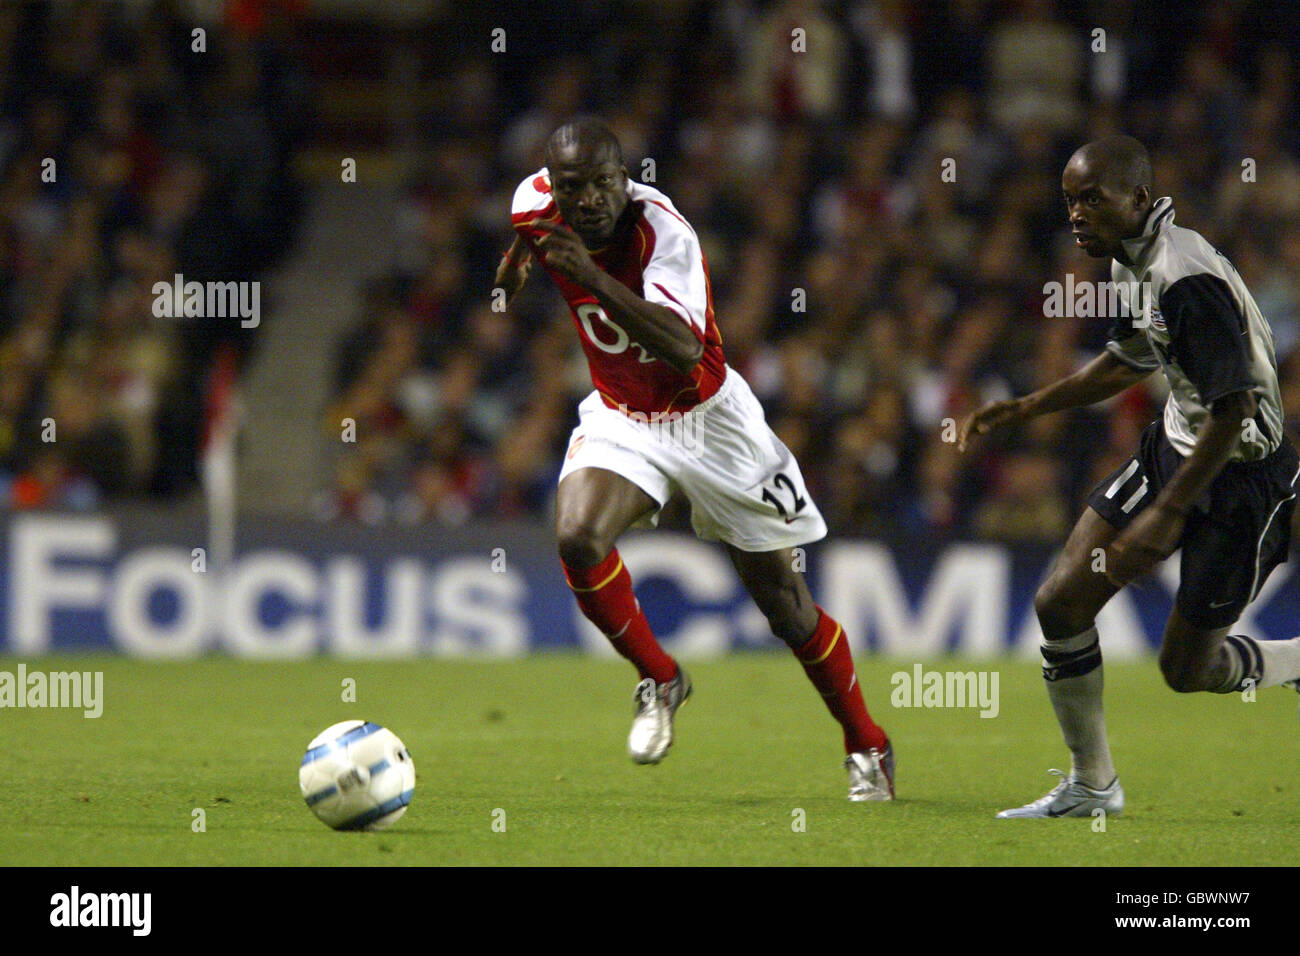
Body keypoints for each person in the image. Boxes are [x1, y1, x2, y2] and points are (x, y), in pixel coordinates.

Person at [494, 117, 894, 800]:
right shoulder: (535, 204)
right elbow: (529, 226)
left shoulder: (664, 233)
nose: (585, 199)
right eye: (572, 187)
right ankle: (660, 677)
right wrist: (519, 257)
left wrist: (585, 273)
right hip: (626, 417)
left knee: (785, 607)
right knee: (577, 536)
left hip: (712, 424)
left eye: (599, 184)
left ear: (624, 180)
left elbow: (681, 346)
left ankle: (866, 742)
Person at [960, 134, 1300, 818]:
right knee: (1060, 603)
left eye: (1092, 199)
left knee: (1187, 672)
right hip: (1175, 447)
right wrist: (1031, 404)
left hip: (1242, 480)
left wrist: (1169, 513)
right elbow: (1131, 360)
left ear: (1138, 198)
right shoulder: (1133, 258)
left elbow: (1235, 411)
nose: (1077, 215)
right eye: (1069, 202)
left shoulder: (1185, 277)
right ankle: (1093, 785)